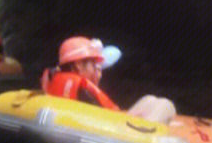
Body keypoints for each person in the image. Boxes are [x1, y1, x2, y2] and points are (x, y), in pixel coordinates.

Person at [40, 36, 176, 121]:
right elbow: (103, 119)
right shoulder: (81, 87)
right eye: (93, 64)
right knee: (165, 105)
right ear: (79, 65)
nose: (97, 69)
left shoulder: (54, 78)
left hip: (102, 124)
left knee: (149, 100)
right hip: (118, 134)